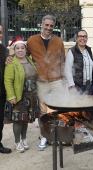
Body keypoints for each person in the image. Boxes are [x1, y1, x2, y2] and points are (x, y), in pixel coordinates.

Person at [6, 15, 66, 151]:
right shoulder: (32, 40)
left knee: (58, 109)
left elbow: (63, 60)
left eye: (51, 25)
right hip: (41, 81)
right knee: (43, 111)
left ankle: (58, 135)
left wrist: (64, 79)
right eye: (47, 25)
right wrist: (9, 57)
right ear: (41, 25)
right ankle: (45, 136)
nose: (49, 28)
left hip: (57, 81)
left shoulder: (58, 41)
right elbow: (20, 53)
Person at [4, 36, 38, 152]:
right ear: (14, 49)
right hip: (19, 96)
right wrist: (11, 96)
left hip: (31, 95)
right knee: (18, 120)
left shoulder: (29, 60)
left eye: (22, 48)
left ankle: (24, 139)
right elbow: (8, 81)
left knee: (26, 119)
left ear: (25, 49)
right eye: (17, 48)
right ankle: (17, 142)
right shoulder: (11, 62)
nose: (20, 50)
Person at [65, 30, 93, 94]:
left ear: (87, 39)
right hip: (77, 87)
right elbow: (67, 70)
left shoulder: (89, 50)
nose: (82, 38)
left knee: (87, 104)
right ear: (76, 39)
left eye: (84, 36)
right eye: (80, 36)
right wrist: (72, 86)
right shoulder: (72, 51)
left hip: (88, 86)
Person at [0, 25, 11, 154]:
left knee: (0, 121)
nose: (0, 34)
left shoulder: (3, 49)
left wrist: (8, 59)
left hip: (1, 92)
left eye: (1, 32)